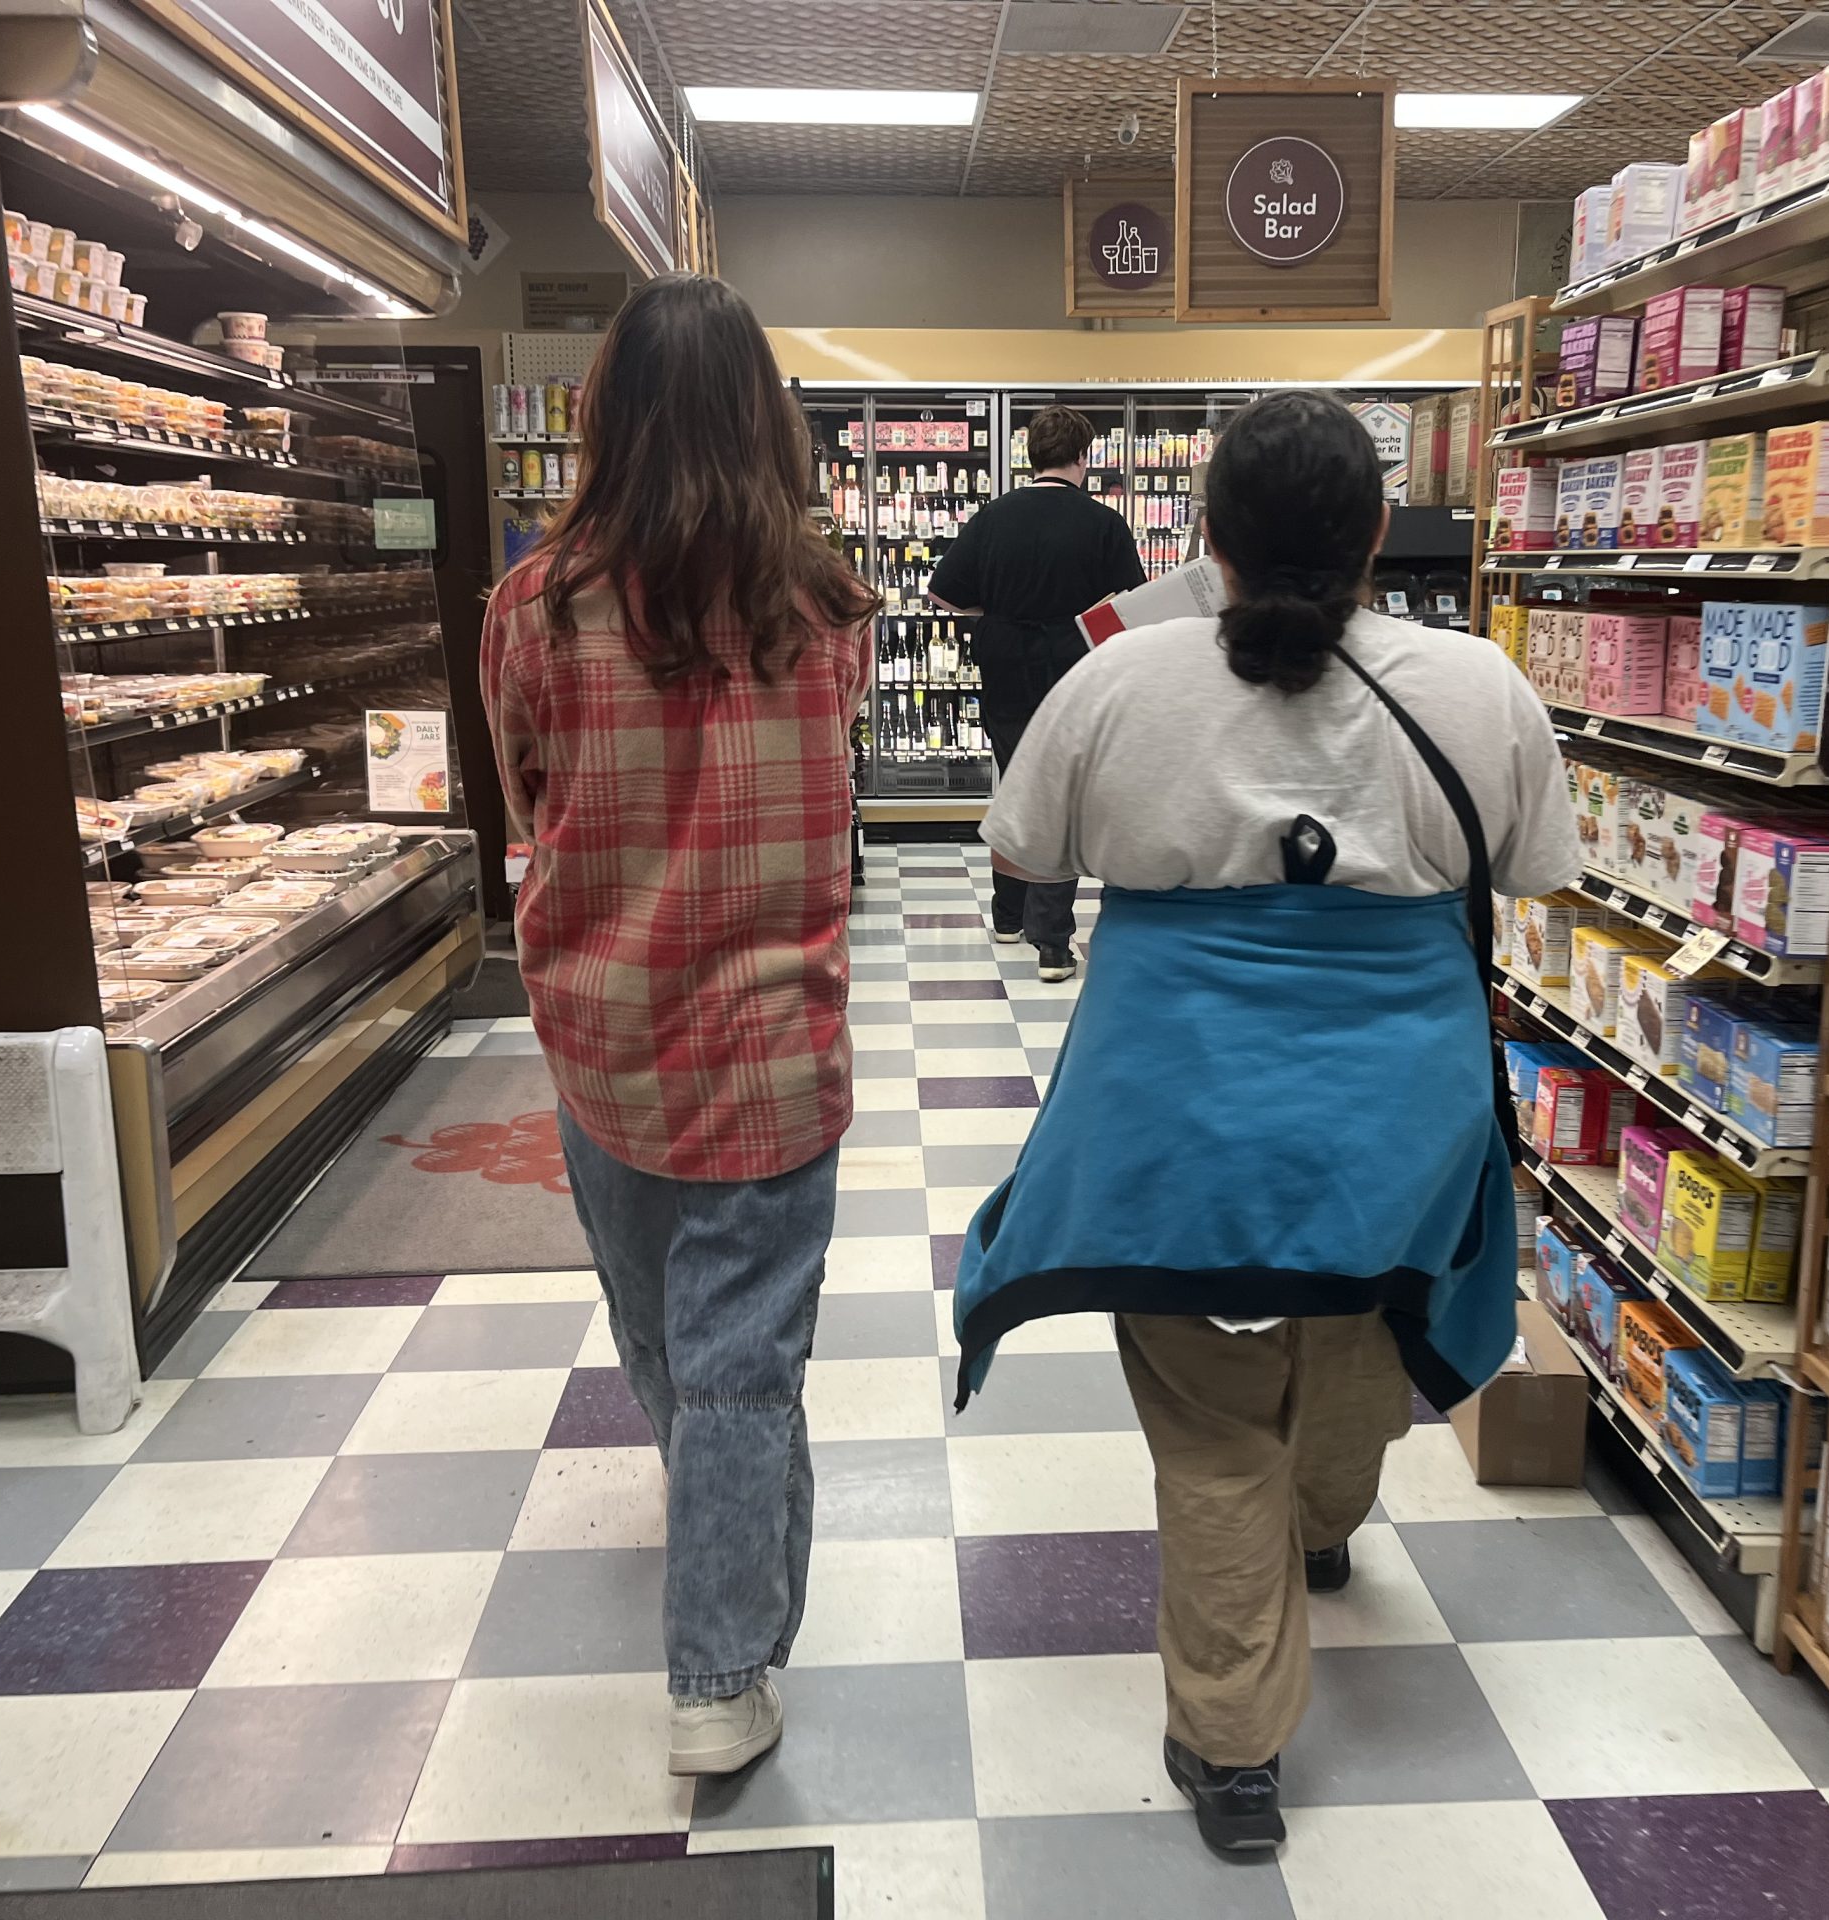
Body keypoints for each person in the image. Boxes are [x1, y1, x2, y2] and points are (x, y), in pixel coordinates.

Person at [947, 391, 1581, 1853]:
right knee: (1359, 1330)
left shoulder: (1123, 680)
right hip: (1395, 1106)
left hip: (1172, 1100)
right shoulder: (1479, 685)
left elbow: (1022, 844)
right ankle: (1324, 1523)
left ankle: (1235, 1748)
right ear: (1373, 533)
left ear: (1207, 537)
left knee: (1210, 1421)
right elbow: (1539, 871)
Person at [480, 275, 877, 1778]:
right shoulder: (828, 606)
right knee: (740, 1366)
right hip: (776, 1046)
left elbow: (528, 797)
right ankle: (724, 1668)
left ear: (603, 416)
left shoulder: (532, 608)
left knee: (676, 1353)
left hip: (605, 1033)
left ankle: (718, 1654)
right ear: (768, 421)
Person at [927, 403, 1144, 979]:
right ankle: (1052, 942)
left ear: (1030, 455)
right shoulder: (1103, 523)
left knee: (1016, 780)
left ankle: (1007, 913)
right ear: (1083, 456)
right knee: (1062, 792)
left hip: (1004, 660)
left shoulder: (993, 517)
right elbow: (1131, 605)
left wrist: (991, 612)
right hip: (1072, 664)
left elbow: (942, 592)